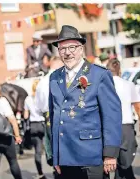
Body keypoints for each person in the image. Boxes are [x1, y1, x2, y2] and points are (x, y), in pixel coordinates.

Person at [49, 25, 122, 179]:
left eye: (72, 47)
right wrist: (55, 156)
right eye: (62, 49)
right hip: (65, 157)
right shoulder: (54, 77)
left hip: (91, 155)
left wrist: (110, 153)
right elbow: (54, 118)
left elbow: (111, 116)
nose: (67, 52)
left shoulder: (99, 75)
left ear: (81, 49)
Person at [107, 59, 140, 179]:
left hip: (107, 127)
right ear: (119, 70)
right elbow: (138, 106)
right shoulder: (128, 85)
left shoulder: (102, 85)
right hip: (125, 126)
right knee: (125, 162)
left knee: (117, 163)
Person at [24, 80, 46, 179]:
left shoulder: (27, 99)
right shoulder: (43, 97)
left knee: (37, 151)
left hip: (33, 125)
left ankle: (40, 173)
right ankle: (57, 170)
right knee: (50, 148)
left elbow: (25, 116)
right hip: (43, 124)